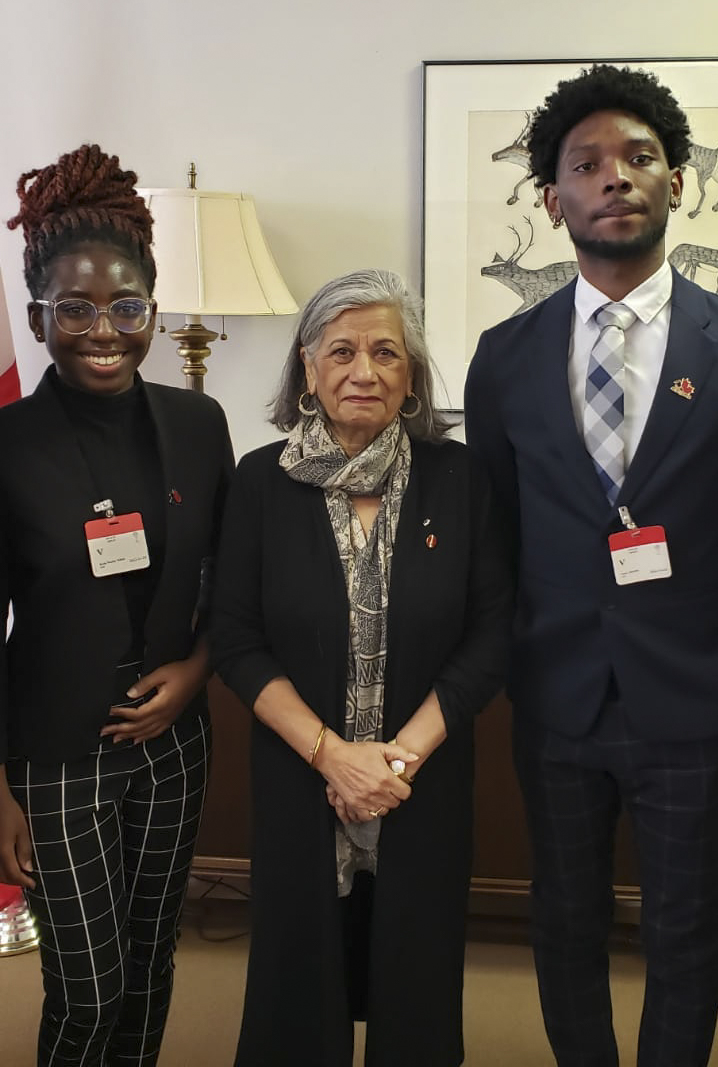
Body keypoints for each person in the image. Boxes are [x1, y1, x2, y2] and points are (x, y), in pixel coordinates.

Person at [464, 63, 718, 1067]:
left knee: (685, 928)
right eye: (586, 164)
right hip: (555, 696)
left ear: (674, 182)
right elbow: (493, 541)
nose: (614, 177)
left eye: (640, 158)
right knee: (564, 921)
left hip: (691, 701)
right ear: (551, 198)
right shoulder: (505, 355)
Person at [0, 143, 233, 1066]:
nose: (102, 329)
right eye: (73, 308)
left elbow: (224, 582)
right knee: (88, 983)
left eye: (126, 305)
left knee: (153, 962)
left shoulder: (200, 427)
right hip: (51, 757)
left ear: (153, 308)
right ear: (38, 318)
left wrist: (193, 676)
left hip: (172, 745)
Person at [210, 270, 512, 1067]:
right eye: (341, 351)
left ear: (411, 375)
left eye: (386, 351)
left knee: (417, 977)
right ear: (307, 368)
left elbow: (492, 634)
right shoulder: (259, 481)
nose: (364, 371)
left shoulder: (461, 479)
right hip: (299, 774)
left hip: (424, 780)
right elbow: (236, 639)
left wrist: (395, 760)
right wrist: (333, 757)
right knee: (296, 977)